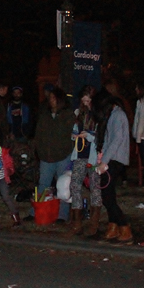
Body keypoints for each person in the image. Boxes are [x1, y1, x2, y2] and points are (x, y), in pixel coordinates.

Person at [31, 87, 76, 222]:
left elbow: (72, 135)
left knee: (63, 186)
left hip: (63, 155)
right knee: (43, 184)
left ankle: (62, 215)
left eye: (53, 98)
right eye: (49, 98)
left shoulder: (68, 115)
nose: (51, 100)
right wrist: (39, 150)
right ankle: (36, 211)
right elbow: (38, 135)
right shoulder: (45, 116)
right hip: (46, 156)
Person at [93, 95, 133, 244]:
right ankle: (113, 225)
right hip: (112, 158)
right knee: (108, 195)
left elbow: (116, 139)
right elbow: (109, 140)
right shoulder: (115, 115)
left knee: (108, 196)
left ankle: (124, 225)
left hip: (115, 159)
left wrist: (104, 161)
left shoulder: (117, 115)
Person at [68, 86, 101, 236]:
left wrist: (87, 135)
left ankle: (94, 222)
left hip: (93, 156)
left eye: (88, 99)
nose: (85, 102)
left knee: (95, 187)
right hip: (80, 154)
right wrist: (75, 136)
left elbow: (100, 137)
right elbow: (74, 131)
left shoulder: (98, 115)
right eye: (83, 99)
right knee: (75, 185)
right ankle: (77, 221)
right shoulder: (78, 113)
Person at [0, 126, 19, 229]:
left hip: (2, 177)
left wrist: (10, 170)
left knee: (6, 197)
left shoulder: (3, 151)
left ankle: (16, 217)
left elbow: (9, 163)